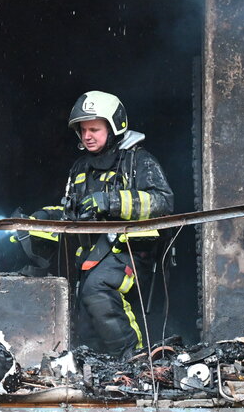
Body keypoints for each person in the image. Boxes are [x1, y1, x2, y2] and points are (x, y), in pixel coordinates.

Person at [13, 91, 174, 358]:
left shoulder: (139, 161)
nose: (87, 136)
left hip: (133, 254)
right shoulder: (80, 168)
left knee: (97, 290)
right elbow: (71, 211)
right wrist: (41, 220)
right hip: (92, 256)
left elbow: (162, 202)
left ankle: (132, 358)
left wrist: (111, 201)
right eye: (83, 130)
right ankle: (104, 373)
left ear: (114, 126)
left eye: (95, 129)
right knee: (87, 319)